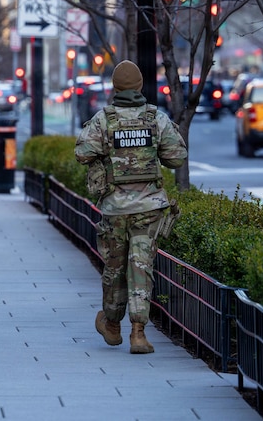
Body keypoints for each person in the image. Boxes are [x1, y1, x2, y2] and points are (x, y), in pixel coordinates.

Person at [74, 60, 187, 354]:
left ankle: (112, 324)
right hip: (149, 208)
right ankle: (139, 332)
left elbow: (82, 153)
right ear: (139, 87)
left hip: (114, 208)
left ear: (115, 88)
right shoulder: (155, 118)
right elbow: (176, 158)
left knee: (114, 267)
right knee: (141, 267)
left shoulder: (104, 119)